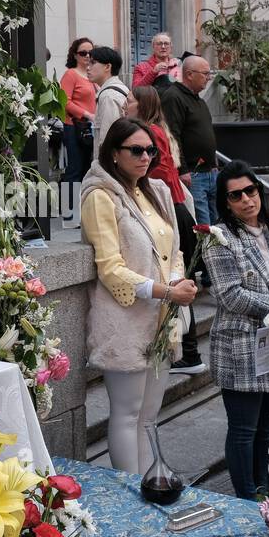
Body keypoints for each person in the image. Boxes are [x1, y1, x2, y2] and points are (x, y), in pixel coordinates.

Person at [79, 117, 197, 474]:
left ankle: (150, 481)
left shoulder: (158, 190)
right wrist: (165, 291)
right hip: (126, 320)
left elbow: (174, 250)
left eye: (150, 150)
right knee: (127, 413)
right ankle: (129, 491)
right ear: (114, 153)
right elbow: (109, 267)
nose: (145, 156)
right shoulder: (99, 196)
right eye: (135, 150)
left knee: (149, 415)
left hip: (163, 318)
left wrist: (177, 282)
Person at [202, 162, 269, 500]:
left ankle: (263, 489)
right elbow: (232, 295)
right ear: (225, 202)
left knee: (268, 426)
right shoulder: (218, 238)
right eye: (236, 195)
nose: (247, 199)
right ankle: (245, 497)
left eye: (251, 190)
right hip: (240, 344)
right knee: (244, 428)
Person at [125, 85, 204, 374]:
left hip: (169, 210)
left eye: (130, 100)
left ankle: (189, 352)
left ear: (142, 104)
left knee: (176, 283)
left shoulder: (151, 133)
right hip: (171, 209)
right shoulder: (157, 129)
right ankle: (183, 351)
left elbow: (156, 177)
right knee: (175, 283)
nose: (124, 104)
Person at [161, 55, 219, 226]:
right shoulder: (173, 97)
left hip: (209, 172)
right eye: (205, 74)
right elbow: (172, 135)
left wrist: (213, 162)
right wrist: (182, 169)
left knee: (215, 224)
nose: (208, 78)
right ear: (189, 74)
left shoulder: (198, 99)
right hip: (193, 174)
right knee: (203, 226)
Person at [60, 37, 97, 209]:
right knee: (74, 169)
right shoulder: (71, 74)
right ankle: (70, 212)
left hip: (89, 128)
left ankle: (83, 210)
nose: (87, 56)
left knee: (87, 169)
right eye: (83, 53)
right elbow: (64, 101)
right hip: (74, 126)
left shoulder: (92, 76)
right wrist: (86, 114)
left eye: (91, 52)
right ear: (75, 55)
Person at [88, 46, 129, 155]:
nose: (88, 67)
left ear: (107, 67)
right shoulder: (117, 89)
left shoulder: (108, 96)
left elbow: (108, 139)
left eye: (93, 63)